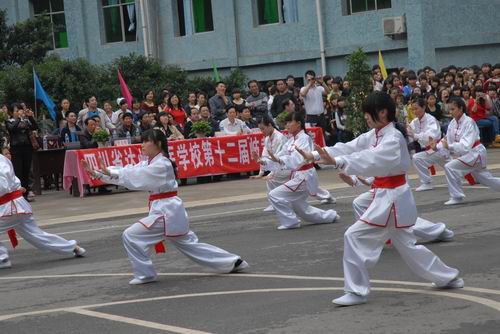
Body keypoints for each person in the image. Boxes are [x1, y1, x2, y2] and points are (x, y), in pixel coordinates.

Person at [299, 92, 463, 306]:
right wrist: (316, 154)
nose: (366, 117)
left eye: (369, 113)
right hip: (390, 196)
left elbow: (371, 159)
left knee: (353, 236)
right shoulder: (376, 134)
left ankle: (356, 291)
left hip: (391, 199)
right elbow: (352, 146)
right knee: (408, 246)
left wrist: (337, 161)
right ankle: (448, 277)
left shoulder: (393, 138)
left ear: (383, 112)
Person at [82, 129, 248, 284]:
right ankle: (233, 262)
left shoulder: (162, 164)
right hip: (168, 210)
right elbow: (130, 170)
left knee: (131, 235)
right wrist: (99, 173)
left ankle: (145, 273)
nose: (142, 145)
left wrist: (109, 173)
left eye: (146, 141)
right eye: (142, 141)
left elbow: (136, 176)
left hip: (166, 211)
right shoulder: (150, 162)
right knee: (190, 245)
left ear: (158, 144)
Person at [0, 150, 86, 269]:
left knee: (35, 234)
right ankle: (72, 247)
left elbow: (3, 186)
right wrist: (18, 188)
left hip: (10, 206)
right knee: (36, 235)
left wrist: (17, 189)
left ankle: (2, 258)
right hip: (15, 205)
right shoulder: (2, 159)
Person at [255, 112, 338, 230]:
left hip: (304, 176)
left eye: (290, 122)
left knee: (274, 195)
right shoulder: (290, 140)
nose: (287, 125)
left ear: (298, 124)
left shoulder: (304, 138)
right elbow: (279, 156)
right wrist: (264, 162)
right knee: (303, 210)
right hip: (298, 175)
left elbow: (298, 159)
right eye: (286, 122)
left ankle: (291, 222)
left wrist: (278, 159)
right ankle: (330, 216)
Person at [339, 174, 454, 242]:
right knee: (359, 202)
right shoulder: (376, 139)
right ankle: (367, 238)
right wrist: (354, 180)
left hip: (395, 187)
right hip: (381, 187)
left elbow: (379, 164)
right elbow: (369, 164)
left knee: (400, 220)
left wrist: (362, 179)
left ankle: (439, 231)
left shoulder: (393, 140)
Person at [430, 97, 500, 205]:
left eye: (453, 109)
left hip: (475, 153)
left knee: (450, 167)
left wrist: (450, 147)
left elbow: (466, 145)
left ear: (461, 108)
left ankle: (456, 196)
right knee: (486, 179)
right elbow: (446, 140)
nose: (450, 112)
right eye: (450, 109)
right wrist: (436, 147)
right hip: (470, 155)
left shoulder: (469, 122)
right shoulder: (453, 123)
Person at [409, 98, 445, 191]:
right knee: (417, 158)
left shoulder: (431, 119)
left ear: (424, 107)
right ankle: (426, 182)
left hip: (438, 148)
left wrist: (415, 135)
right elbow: (410, 135)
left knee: (455, 168)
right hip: (429, 150)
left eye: (416, 108)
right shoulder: (414, 122)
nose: (414, 111)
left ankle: (475, 172)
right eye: (413, 109)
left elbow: (431, 136)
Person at [6, 104, 38, 201]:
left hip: (27, 147)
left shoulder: (25, 120)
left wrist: (30, 117)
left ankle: (26, 192)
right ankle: (19, 194)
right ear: (11, 112)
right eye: (16, 111)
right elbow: (12, 129)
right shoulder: (9, 121)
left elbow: (35, 127)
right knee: (18, 171)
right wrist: (19, 119)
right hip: (16, 148)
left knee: (26, 171)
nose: (19, 112)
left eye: (20, 110)